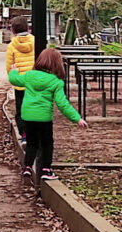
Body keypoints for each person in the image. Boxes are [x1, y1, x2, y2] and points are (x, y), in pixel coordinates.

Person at [9, 48, 89, 181]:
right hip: (44, 117)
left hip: (28, 115)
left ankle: (28, 167)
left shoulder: (29, 76)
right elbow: (63, 104)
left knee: (32, 143)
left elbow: (15, 80)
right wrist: (77, 118)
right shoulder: (56, 82)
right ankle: (46, 169)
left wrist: (13, 71)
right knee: (47, 143)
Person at [5, 16, 36, 141]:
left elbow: (9, 67)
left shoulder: (12, 45)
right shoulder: (35, 41)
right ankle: (34, 134)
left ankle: (24, 135)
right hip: (34, 82)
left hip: (20, 83)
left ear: (13, 30)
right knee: (34, 108)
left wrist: (14, 77)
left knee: (20, 110)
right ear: (28, 27)